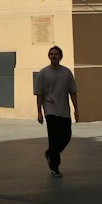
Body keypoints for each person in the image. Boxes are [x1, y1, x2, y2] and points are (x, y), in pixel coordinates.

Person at [35, 45, 79, 177]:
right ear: (49, 56)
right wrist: (39, 112)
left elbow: (73, 92)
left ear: (60, 56)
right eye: (51, 54)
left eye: (56, 54)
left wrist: (77, 110)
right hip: (50, 110)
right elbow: (39, 94)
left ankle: (50, 153)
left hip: (64, 110)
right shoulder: (43, 73)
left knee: (66, 136)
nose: (53, 56)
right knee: (53, 139)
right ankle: (55, 167)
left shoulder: (66, 73)